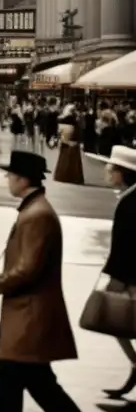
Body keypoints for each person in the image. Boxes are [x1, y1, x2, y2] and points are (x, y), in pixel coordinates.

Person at [0, 150, 100, 412]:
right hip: (26, 320)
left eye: (10, 175)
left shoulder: (36, 215)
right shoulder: (34, 209)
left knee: (25, 392)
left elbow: (27, 269)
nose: (7, 179)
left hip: (28, 320)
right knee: (29, 391)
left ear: (23, 179)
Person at [90, 145, 136, 398]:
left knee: (117, 321)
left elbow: (126, 245)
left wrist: (116, 277)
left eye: (111, 169)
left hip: (127, 274)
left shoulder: (130, 203)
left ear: (123, 172)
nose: (107, 172)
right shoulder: (129, 197)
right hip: (127, 273)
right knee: (121, 323)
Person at [54, 104, 85, 185]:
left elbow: (58, 132)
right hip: (73, 143)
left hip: (64, 142)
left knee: (63, 160)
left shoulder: (61, 119)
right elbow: (79, 132)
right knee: (73, 162)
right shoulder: (76, 121)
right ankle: (73, 177)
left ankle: (63, 176)